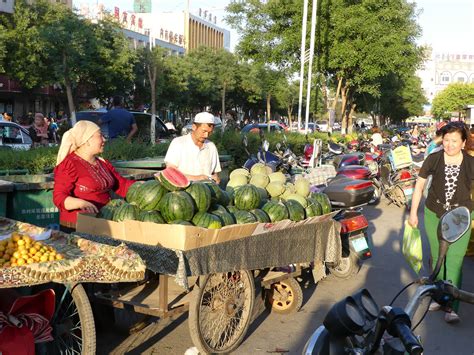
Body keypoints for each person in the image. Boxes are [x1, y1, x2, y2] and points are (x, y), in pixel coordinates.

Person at [409, 121, 474, 323]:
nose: (450, 144)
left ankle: (451, 306)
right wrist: (413, 215)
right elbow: (419, 187)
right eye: (446, 140)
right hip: (433, 214)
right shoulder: (434, 158)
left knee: (454, 261)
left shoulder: (471, 163)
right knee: (438, 259)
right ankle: (439, 297)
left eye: (455, 141)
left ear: (463, 142)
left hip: (461, 217)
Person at [53, 121, 136, 231]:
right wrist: (81, 203)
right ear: (87, 140)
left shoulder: (103, 163)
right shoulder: (69, 164)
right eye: (100, 135)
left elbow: (122, 185)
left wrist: (142, 186)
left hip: (103, 222)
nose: (104, 139)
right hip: (77, 226)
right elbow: (59, 197)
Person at [164, 112, 221, 184]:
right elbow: (170, 172)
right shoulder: (178, 143)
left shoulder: (211, 146)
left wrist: (216, 178)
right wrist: (197, 178)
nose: (206, 135)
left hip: (206, 192)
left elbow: (215, 172)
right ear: (194, 127)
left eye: (210, 132)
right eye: (204, 131)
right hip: (182, 192)